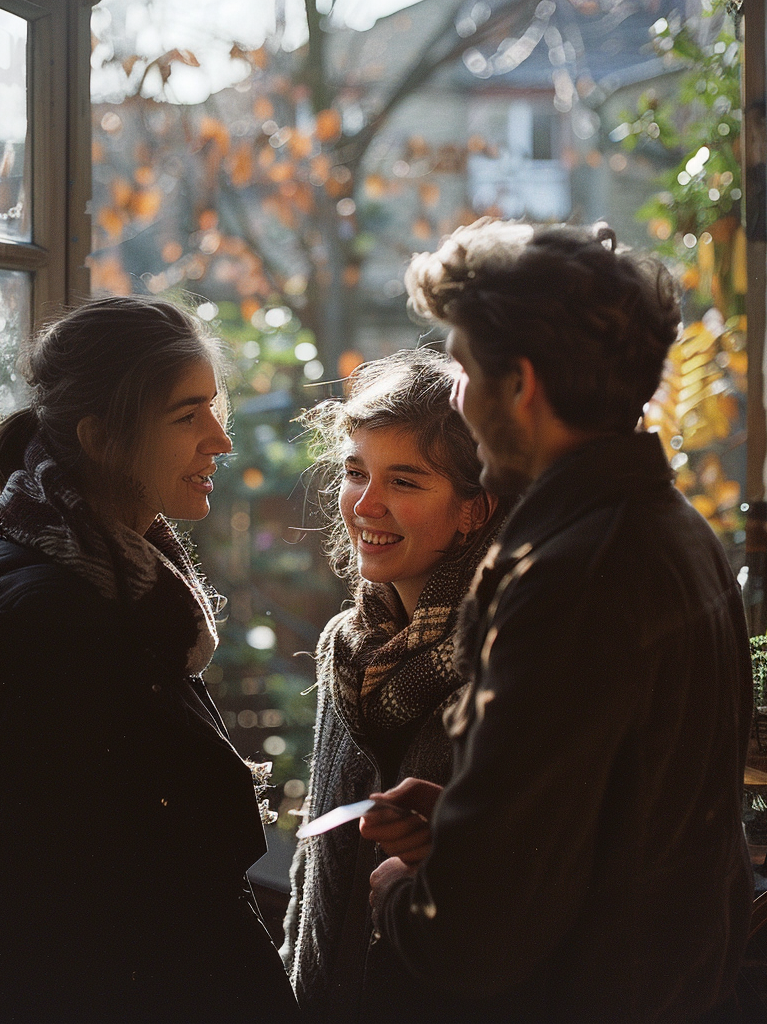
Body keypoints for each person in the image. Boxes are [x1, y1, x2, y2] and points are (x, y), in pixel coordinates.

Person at [362, 221, 754, 1023]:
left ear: (523, 386)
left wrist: (408, 897)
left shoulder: (573, 577)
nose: (459, 400)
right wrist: (474, 818)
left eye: (465, 369)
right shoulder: (674, 530)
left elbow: (474, 939)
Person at [0, 296, 298, 1024]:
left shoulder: (114, 579)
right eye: (187, 416)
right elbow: (42, 912)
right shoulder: (61, 616)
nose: (220, 441)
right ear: (103, 439)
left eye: (215, 408)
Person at [280, 348, 508, 1022]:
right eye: (356, 472)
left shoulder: (505, 658)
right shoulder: (344, 646)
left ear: (474, 508)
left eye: (405, 482)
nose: (366, 504)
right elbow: (314, 881)